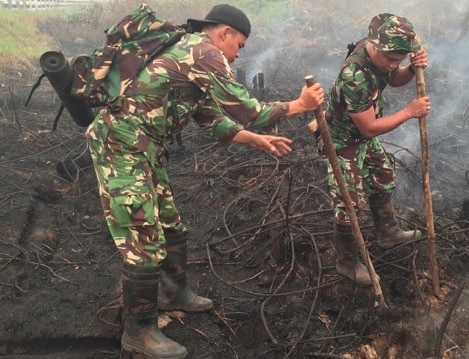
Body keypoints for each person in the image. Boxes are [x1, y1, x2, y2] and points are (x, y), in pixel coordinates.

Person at [86, 4, 324, 359]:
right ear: (224, 32)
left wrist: (254, 139)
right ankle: (140, 332)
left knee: (172, 227)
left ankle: (173, 292)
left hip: (144, 150)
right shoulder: (203, 52)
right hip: (121, 147)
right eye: (239, 44)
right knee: (143, 238)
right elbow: (248, 111)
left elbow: (213, 120)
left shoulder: (189, 54)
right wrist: (298, 105)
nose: (238, 52)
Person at [319, 13, 431, 286]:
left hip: (362, 136)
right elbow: (369, 128)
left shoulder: (387, 49)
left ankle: (387, 232)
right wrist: (408, 112)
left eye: (399, 59)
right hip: (343, 140)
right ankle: (346, 262)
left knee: (383, 177)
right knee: (349, 202)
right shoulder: (354, 75)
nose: (394, 64)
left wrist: (413, 67)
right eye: (391, 59)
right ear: (374, 47)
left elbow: (394, 79)